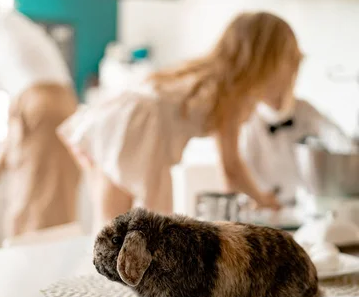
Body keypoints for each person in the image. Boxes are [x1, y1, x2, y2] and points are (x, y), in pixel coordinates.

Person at [60, 12, 302, 233]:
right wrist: (263, 200)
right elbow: (231, 168)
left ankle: (97, 279)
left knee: (109, 231)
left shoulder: (205, 72)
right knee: (153, 231)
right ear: (270, 61)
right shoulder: (234, 91)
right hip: (143, 130)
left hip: (110, 121)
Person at [0, 0, 80, 237]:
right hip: (59, 107)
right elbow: (15, 134)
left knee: (34, 214)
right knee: (47, 205)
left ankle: (38, 275)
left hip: (43, 107)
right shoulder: (7, 26)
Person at [240, 95, 354, 205]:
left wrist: (351, 155)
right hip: (268, 202)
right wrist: (258, 196)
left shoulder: (303, 108)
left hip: (304, 199)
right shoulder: (250, 118)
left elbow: (333, 134)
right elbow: (245, 163)